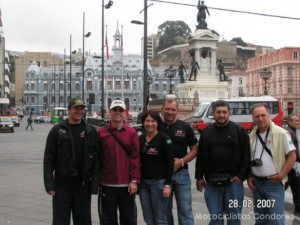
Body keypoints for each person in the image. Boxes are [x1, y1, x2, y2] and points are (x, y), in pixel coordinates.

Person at [43, 98, 100, 225]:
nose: (79, 111)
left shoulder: (90, 131)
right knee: (60, 220)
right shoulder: (57, 130)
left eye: (82, 108)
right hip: (62, 185)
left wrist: (94, 183)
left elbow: (96, 159)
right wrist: (49, 184)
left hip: (83, 185)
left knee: (83, 220)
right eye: (76, 108)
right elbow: (48, 159)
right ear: (69, 110)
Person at [195, 100, 251, 225]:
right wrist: (199, 177)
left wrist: (241, 176)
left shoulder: (239, 130)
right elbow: (200, 157)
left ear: (229, 113)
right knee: (215, 218)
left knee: (234, 217)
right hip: (212, 183)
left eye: (224, 112)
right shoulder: (206, 132)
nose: (221, 115)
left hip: (233, 183)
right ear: (213, 113)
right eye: (218, 112)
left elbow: (247, 155)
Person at [247, 103, 296, 225]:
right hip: (257, 184)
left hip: (273, 184)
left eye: (263, 115)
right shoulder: (252, 134)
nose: (260, 118)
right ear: (253, 118)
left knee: (276, 220)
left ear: (269, 115)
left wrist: (281, 175)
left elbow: (292, 156)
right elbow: (250, 157)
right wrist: (250, 176)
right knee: (261, 220)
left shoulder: (281, 133)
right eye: (257, 116)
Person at [97, 99, 140, 225]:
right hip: (107, 184)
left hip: (126, 185)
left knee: (128, 219)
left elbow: (135, 157)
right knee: (108, 220)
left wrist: (134, 181)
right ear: (109, 111)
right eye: (115, 109)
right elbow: (97, 156)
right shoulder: (101, 132)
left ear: (125, 112)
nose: (117, 112)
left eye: (120, 110)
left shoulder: (131, 132)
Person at [159, 98, 198, 225]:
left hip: (182, 174)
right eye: (167, 109)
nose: (170, 112)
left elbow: (194, 149)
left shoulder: (185, 127)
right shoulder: (156, 126)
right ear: (162, 110)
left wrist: (181, 161)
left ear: (178, 111)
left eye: (173, 109)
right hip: (162, 175)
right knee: (164, 212)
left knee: (185, 211)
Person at [139, 110, 174, 225]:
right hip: (144, 184)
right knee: (148, 218)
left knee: (161, 219)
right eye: (147, 121)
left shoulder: (164, 139)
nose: (150, 124)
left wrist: (167, 185)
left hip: (159, 183)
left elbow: (170, 163)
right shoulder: (141, 139)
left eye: (153, 121)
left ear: (157, 123)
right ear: (143, 123)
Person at [285, 114, 300, 214]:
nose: (298, 122)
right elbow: (291, 151)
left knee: (296, 186)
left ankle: (298, 207)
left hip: (292, 165)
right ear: (290, 122)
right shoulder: (289, 133)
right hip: (289, 165)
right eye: (296, 120)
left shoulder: (292, 131)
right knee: (294, 185)